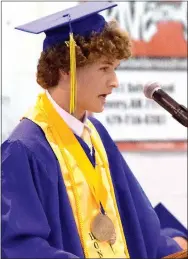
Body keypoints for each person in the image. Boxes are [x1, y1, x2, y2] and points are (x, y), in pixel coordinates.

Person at [1, 2, 187, 258]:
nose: (115, 82)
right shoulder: (25, 148)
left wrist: (174, 247)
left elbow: (136, 219)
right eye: (104, 68)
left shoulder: (96, 134)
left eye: (115, 69)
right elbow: (20, 246)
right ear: (66, 69)